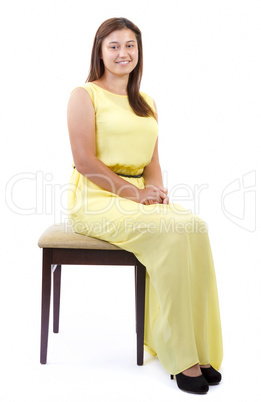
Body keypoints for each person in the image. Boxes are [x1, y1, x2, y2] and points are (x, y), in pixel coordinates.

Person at [67, 17, 223, 394]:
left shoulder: (147, 102)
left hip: (136, 196)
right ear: (100, 51)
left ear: (139, 51)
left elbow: (152, 164)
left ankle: (200, 350)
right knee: (170, 234)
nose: (123, 53)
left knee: (195, 228)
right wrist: (135, 194)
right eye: (114, 45)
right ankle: (179, 355)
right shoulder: (83, 95)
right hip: (96, 197)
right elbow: (85, 161)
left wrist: (156, 192)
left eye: (130, 45)